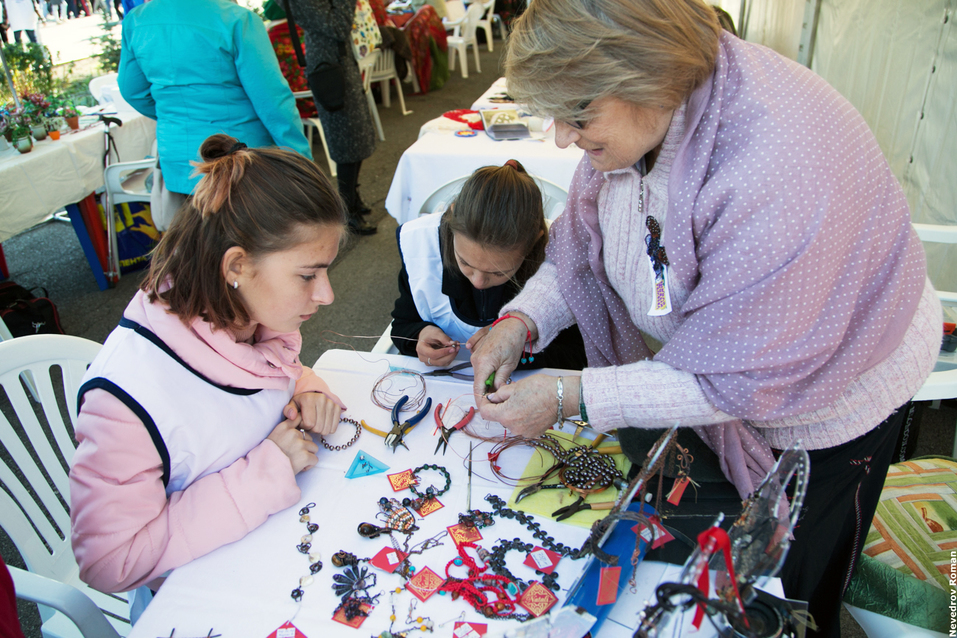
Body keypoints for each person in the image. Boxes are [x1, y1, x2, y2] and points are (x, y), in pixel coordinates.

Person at [470, 1, 940, 636]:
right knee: (709, 555)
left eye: (576, 114)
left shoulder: (770, 173)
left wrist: (567, 395)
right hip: (735, 378)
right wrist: (521, 321)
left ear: (641, 76)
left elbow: (731, 377)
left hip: (831, 400)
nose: (561, 136)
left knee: (780, 585)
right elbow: (590, 246)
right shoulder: (653, 109)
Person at [69, 134, 349, 596]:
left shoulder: (246, 317)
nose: (326, 295)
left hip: (274, 554)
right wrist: (266, 471)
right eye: (308, 275)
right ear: (236, 266)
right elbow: (109, 562)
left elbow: (267, 373)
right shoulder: (126, 397)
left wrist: (307, 387)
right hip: (207, 597)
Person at [118, 0, 311, 231]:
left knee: (200, 250)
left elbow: (133, 91)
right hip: (238, 158)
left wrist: (176, 118)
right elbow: (272, 99)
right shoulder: (237, 19)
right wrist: (300, 158)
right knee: (249, 248)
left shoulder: (137, 21)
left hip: (179, 158)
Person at [391, 160, 586, 370]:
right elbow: (402, 325)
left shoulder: (558, 264)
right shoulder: (423, 248)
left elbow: (578, 354)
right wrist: (419, 336)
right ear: (451, 220)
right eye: (465, 262)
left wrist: (515, 350)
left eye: (498, 272)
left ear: (533, 243)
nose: (478, 282)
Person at [286, 0, 378, 236]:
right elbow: (337, 26)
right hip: (329, 70)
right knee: (346, 142)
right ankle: (347, 211)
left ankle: (352, 200)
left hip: (338, 65)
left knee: (355, 138)